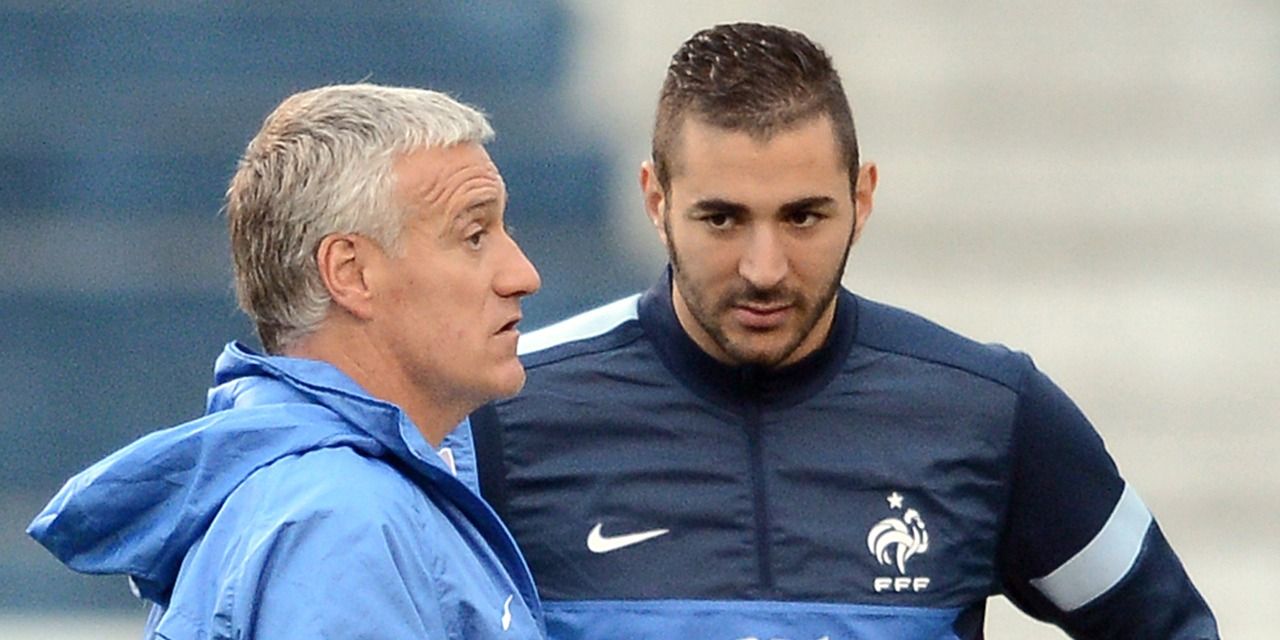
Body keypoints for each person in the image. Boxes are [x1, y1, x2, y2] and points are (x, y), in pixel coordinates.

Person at [463, 23, 1219, 639]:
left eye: (803, 217)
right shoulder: (502, 413)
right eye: (722, 219)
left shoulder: (990, 413)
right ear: (656, 201)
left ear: (862, 200)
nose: (764, 268)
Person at [29, 83, 546, 639]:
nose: (523, 275)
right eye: (474, 235)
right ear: (351, 273)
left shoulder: (327, 499)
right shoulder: (339, 521)